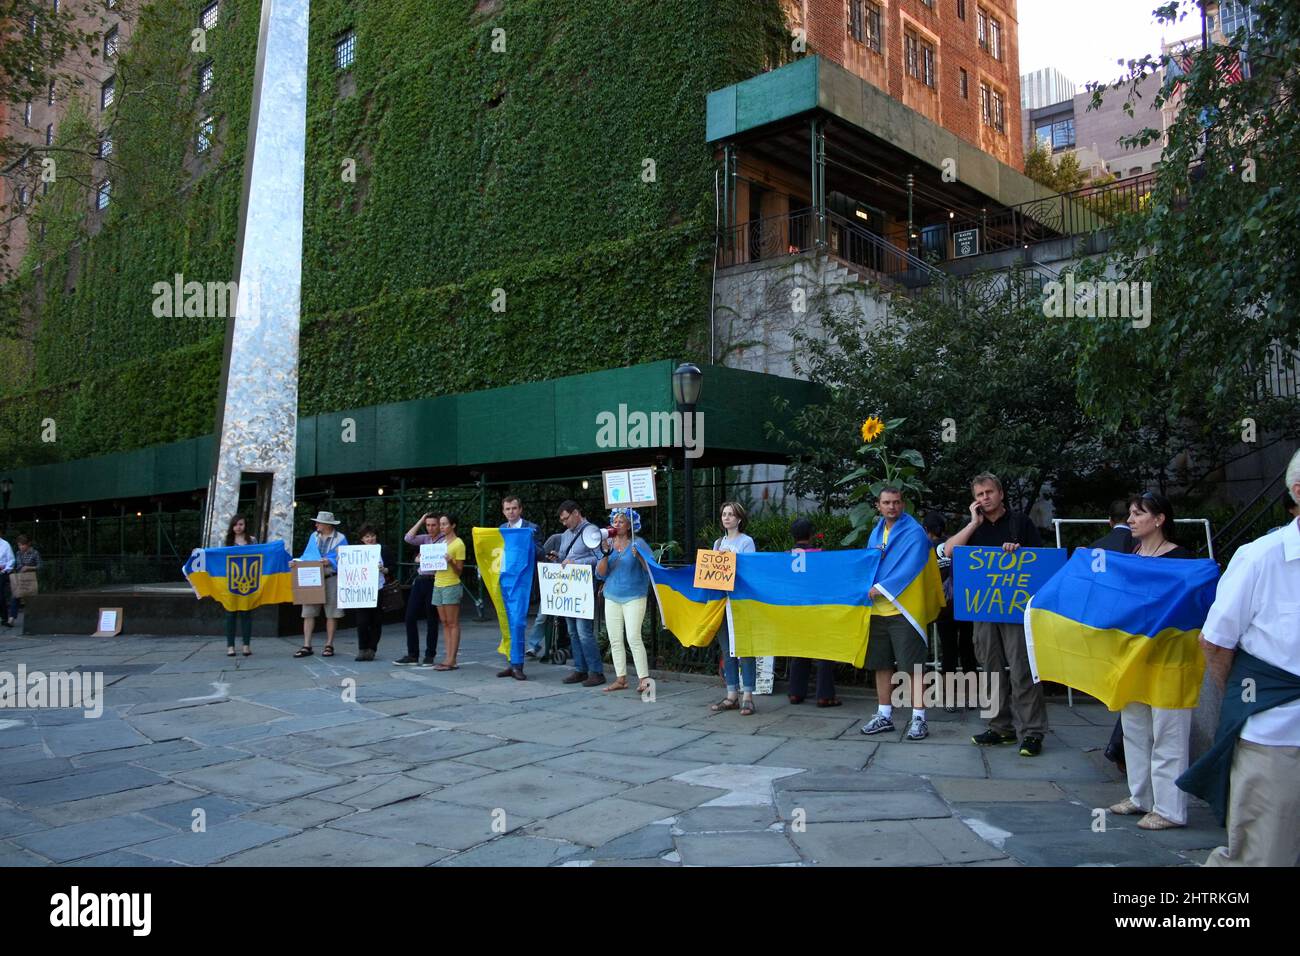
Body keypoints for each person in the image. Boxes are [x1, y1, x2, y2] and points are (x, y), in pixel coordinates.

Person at [1182, 448, 1300, 866]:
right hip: (1278, 732)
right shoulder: (1260, 557)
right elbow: (1215, 642)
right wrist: (1243, 701)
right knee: (1266, 852)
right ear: (1298, 492)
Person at [1105, 491, 1197, 830]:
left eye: (1138, 513)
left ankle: (1171, 809)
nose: (1130, 519)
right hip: (1133, 655)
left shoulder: (1184, 559)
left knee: (1168, 732)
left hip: (1170, 657)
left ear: (1159, 519)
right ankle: (1141, 797)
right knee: (1135, 727)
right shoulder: (1129, 554)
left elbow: (1194, 604)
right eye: (1129, 513)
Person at [945, 472, 1049, 756]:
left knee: (1021, 669)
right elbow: (949, 551)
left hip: (1015, 609)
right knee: (989, 669)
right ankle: (1000, 727)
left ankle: (1032, 732)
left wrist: (1019, 550)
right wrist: (973, 523)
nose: (984, 498)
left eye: (989, 492)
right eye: (979, 495)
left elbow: (1037, 562)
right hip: (983, 608)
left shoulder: (1020, 523)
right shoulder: (974, 526)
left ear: (1001, 493)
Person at [859, 488, 931, 741]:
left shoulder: (915, 533)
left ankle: (919, 718)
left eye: (897, 502)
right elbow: (869, 563)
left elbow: (911, 567)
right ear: (878, 506)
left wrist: (880, 587)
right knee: (881, 664)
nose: (892, 507)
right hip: (877, 610)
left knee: (913, 667)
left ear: (903, 504)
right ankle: (884, 714)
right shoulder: (876, 531)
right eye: (887, 503)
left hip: (905, 610)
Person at [1091, 499, 1135, 772]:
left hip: (1109, 622)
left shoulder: (1097, 547)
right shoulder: (1142, 546)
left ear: (1109, 520)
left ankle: (1121, 749)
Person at [596, 508, 652, 694]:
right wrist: (605, 554)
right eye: (615, 521)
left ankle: (644, 679)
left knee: (633, 637)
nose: (617, 524)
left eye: (621, 521)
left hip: (634, 596)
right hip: (612, 595)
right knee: (615, 639)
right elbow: (600, 573)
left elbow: (650, 570)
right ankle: (621, 679)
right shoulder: (607, 544)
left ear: (629, 526)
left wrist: (639, 557)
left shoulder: (639, 544)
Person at [709, 501, 758, 715]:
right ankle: (731, 695)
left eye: (731, 514)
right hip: (722, 601)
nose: (726, 518)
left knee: (744, 649)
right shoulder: (718, 543)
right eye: (724, 514)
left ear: (739, 519)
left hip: (740, 602)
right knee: (727, 649)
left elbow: (751, 570)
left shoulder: (747, 542)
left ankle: (747, 695)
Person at [924, 510, 976, 712]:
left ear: (926, 530)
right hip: (965, 604)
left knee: (948, 652)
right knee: (967, 650)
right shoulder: (956, 543)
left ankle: (949, 699)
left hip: (943, 607)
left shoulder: (927, 548)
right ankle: (972, 698)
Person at [786, 517, 839, 707]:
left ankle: (795, 693)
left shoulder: (785, 557)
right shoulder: (821, 555)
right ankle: (825, 695)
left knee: (799, 650)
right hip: (817, 608)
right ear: (811, 534)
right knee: (824, 650)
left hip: (795, 610)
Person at [555, 500, 605, 687]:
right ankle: (580, 669)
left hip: (584, 588)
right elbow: (564, 557)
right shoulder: (566, 534)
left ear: (576, 513)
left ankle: (596, 671)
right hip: (570, 589)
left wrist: (578, 564)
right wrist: (557, 558)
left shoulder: (591, 531)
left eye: (566, 518)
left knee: (584, 632)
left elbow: (600, 558)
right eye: (562, 520)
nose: (564, 523)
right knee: (573, 631)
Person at [499, 495, 542, 677]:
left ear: (520, 509)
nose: (511, 512)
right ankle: (511, 661)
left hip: (522, 582)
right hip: (505, 581)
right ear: (503, 511)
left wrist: (529, 542)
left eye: (514, 508)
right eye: (507, 509)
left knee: (517, 622)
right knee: (507, 623)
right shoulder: (501, 529)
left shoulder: (531, 528)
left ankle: (518, 665)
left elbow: (542, 552)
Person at [294, 512, 347, 658]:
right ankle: (307, 645)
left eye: (319, 523)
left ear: (328, 525)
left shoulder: (341, 539)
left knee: (332, 613)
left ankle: (329, 644)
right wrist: (297, 563)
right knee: (308, 612)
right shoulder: (314, 537)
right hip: (313, 577)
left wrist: (331, 562)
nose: (316, 525)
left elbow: (346, 558)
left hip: (331, 577)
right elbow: (307, 556)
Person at [395, 511, 442, 666]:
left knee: (432, 619)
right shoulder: (425, 538)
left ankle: (430, 655)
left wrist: (423, 558)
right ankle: (412, 654)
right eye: (428, 525)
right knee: (410, 616)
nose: (430, 528)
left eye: (433, 525)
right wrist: (421, 519)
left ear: (439, 525)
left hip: (435, 580)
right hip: (421, 580)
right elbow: (408, 538)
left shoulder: (444, 540)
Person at [353, 524, 393, 662]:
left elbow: (392, 568)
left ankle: (371, 649)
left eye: (372, 536)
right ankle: (362, 648)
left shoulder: (383, 549)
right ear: (362, 539)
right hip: (361, 590)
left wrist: (384, 570)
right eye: (366, 536)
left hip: (378, 588)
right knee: (362, 621)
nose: (370, 539)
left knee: (376, 620)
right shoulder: (356, 552)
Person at [430, 514, 466, 670]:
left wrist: (451, 561)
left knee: (452, 623)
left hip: (451, 585)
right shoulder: (441, 542)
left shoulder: (458, 544)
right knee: (444, 623)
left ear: (453, 525)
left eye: (445, 524)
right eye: (441, 524)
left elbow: (459, 571)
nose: (442, 527)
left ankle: (452, 659)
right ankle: (448, 657)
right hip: (438, 584)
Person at [526, 531, 565, 659]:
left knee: (568, 623)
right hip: (553, 585)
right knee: (542, 617)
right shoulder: (556, 538)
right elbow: (541, 555)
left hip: (569, 586)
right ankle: (534, 645)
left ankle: (562, 646)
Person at [223, 515, 257, 657]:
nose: (238, 527)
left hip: (248, 582)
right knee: (230, 614)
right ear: (232, 527)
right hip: (231, 581)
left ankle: (246, 646)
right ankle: (230, 646)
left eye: (241, 524)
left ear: (245, 525)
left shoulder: (253, 541)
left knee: (246, 613)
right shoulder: (227, 542)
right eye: (236, 524)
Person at [7, 534, 41, 626]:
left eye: (22, 545)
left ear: (28, 544)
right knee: (15, 596)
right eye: (19, 545)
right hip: (20, 578)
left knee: (31, 599)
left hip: (31, 579)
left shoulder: (35, 553)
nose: (21, 547)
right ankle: (11, 618)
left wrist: (29, 567)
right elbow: (18, 565)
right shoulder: (18, 553)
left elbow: (39, 566)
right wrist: (21, 569)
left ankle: (33, 619)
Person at [0, 533, 16, 627]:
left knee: (0, 596)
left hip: (2, 573)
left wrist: (5, 568)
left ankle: (4, 617)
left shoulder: (5, 545)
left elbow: (11, 560)